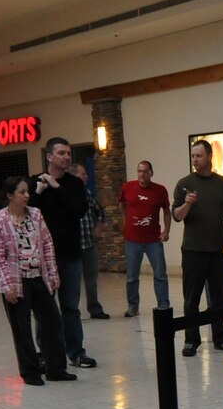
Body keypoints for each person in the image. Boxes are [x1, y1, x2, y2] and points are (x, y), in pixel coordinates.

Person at [0, 176, 76, 387]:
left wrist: (53, 273)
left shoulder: (36, 214)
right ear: (10, 195)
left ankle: (56, 369)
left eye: (28, 191)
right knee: (22, 328)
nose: (27, 195)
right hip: (17, 282)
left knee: (52, 323)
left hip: (39, 277)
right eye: (22, 192)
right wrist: (7, 284)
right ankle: (30, 372)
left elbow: (47, 243)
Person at [28, 139, 97, 369]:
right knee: (44, 307)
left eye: (68, 153)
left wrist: (57, 188)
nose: (66, 157)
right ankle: (46, 353)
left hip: (70, 254)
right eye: (61, 153)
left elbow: (78, 210)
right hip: (43, 257)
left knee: (70, 307)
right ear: (49, 157)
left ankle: (76, 352)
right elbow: (29, 214)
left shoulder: (75, 184)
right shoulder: (34, 182)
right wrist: (39, 191)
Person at [171, 138, 223, 357]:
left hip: (218, 250)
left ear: (209, 156)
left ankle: (221, 337)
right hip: (193, 250)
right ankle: (191, 340)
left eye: (199, 155)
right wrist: (188, 203)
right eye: (192, 156)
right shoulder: (184, 183)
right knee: (191, 298)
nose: (195, 159)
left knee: (220, 297)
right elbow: (176, 216)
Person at [120, 157, 172, 317]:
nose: (142, 174)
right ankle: (133, 307)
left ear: (151, 173)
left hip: (153, 240)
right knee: (132, 276)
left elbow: (167, 211)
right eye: (139, 171)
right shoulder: (127, 187)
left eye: (145, 171)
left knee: (160, 274)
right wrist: (125, 222)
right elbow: (122, 204)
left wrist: (166, 230)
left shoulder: (160, 190)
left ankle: (163, 304)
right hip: (132, 240)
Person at [72, 162, 111, 320]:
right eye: (83, 174)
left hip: (89, 244)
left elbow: (100, 211)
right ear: (74, 176)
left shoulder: (86, 193)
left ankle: (94, 309)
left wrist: (99, 228)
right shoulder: (64, 194)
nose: (86, 176)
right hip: (72, 247)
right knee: (72, 282)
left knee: (91, 280)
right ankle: (72, 312)